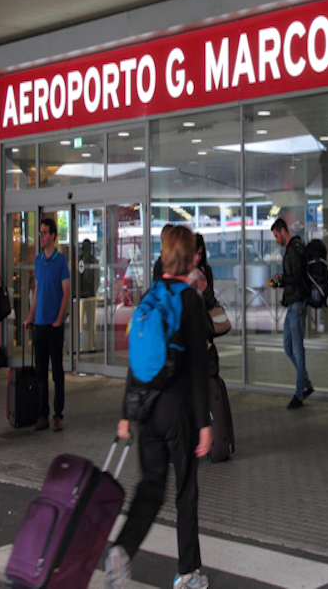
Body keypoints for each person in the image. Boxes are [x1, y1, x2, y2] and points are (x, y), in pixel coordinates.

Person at [105, 225, 212, 589]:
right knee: (185, 490)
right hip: (176, 412)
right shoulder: (189, 300)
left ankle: (122, 550)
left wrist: (125, 413)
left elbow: (135, 361)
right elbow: (198, 368)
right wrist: (205, 422)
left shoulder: (149, 297)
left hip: (145, 411)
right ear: (189, 257)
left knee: (150, 487)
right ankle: (188, 573)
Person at [24, 218, 71, 432]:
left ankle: (58, 414)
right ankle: (43, 415)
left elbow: (66, 293)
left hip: (53, 326)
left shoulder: (61, 262)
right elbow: (36, 291)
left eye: (44, 233)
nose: (41, 237)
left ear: (53, 235)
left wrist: (58, 319)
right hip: (40, 324)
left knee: (57, 372)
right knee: (40, 372)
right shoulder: (38, 261)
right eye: (40, 233)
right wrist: (30, 317)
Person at [268, 217, 314, 409]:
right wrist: (282, 279)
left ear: (283, 231)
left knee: (297, 349)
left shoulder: (294, 249)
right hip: (292, 303)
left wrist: (282, 280)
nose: (276, 240)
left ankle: (299, 394)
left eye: (277, 236)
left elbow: (297, 277)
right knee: (288, 347)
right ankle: (306, 384)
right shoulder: (292, 249)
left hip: (297, 304)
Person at [79, 239, 98, 353]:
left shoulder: (93, 260)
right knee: (80, 323)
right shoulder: (79, 260)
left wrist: (94, 289)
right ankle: (80, 345)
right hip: (81, 295)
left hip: (90, 294)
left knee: (91, 322)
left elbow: (96, 276)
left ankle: (91, 344)